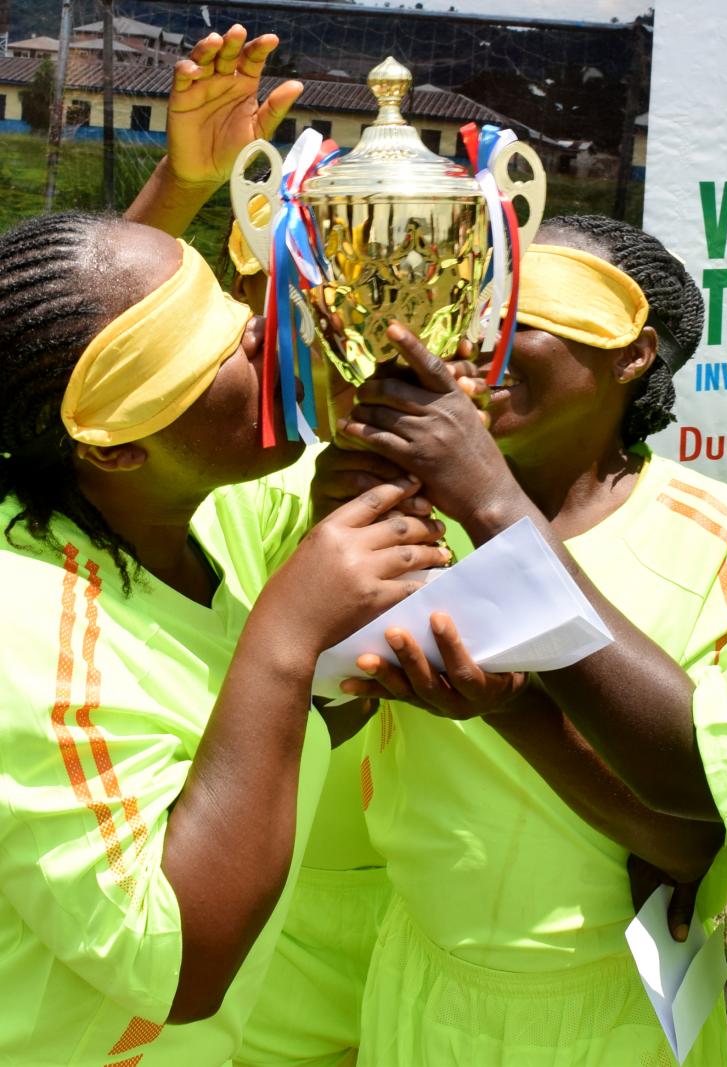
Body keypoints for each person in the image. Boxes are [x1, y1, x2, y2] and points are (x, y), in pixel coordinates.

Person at [318, 216, 727, 1066]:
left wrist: (513, 711)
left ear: (630, 355)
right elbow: (322, 726)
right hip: (423, 972)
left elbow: (701, 831)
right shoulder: (406, 511)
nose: (485, 341)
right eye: (474, 314)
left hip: (619, 1004)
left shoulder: (709, 532)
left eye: (527, 318)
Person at [0, 208, 448, 1066]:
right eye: (208, 351)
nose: (257, 336)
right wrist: (286, 635)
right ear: (119, 449)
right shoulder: (28, 625)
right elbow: (181, 971)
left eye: (229, 307)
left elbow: (233, 759)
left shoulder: (172, 547)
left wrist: (340, 665)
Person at [128, 28, 394, 1066]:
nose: (276, 330)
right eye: (260, 301)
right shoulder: (202, 473)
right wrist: (177, 183)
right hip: (225, 962)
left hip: (410, 955)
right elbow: (73, 387)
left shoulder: (464, 483)